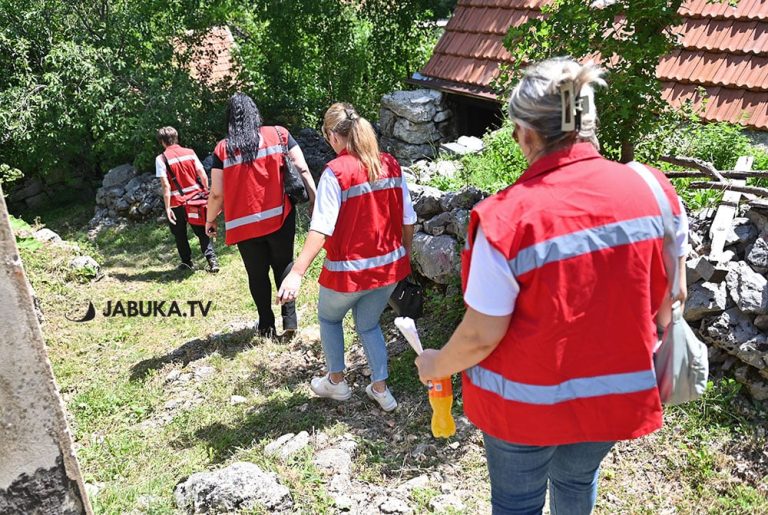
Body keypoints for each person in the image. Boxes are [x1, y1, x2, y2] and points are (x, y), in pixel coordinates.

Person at [414, 58, 689, 514]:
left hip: (522, 411)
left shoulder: (507, 219)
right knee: (578, 482)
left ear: (525, 133)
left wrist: (436, 364)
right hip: (615, 397)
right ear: (590, 120)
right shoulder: (654, 190)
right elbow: (672, 295)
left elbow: (482, 334)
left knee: (517, 503)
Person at [277, 102, 416, 412]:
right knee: (368, 325)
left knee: (329, 317)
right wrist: (402, 258)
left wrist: (297, 271)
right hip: (386, 270)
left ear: (332, 135)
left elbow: (322, 227)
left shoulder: (336, 172)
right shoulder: (391, 165)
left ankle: (336, 382)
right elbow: (409, 219)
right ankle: (380, 388)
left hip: (348, 273)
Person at [205, 93, 316, 338]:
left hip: (244, 227)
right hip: (279, 217)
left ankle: (266, 325)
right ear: (255, 113)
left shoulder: (223, 149)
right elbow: (302, 168)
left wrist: (210, 219)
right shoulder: (279, 134)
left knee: (257, 275)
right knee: (284, 266)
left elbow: (216, 193)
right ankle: (290, 320)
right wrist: (315, 199)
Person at [156, 126, 219, 273]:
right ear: (176, 137)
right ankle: (212, 260)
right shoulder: (190, 153)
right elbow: (202, 174)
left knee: (180, 234)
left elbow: (165, 185)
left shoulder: (161, 159)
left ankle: (186, 262)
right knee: (201, 230)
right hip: (195, 200)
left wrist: (167, 208)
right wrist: (205, 191)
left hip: (176, 202)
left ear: (162, 142)